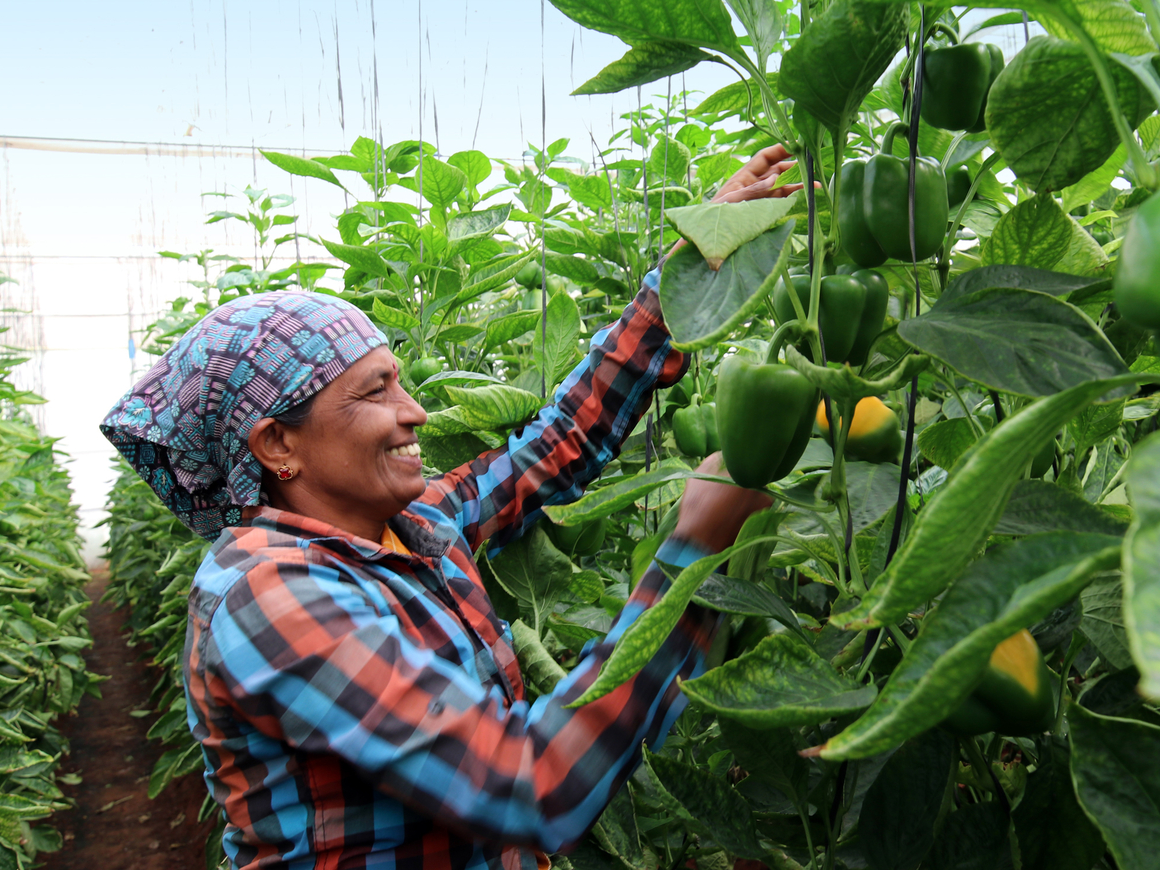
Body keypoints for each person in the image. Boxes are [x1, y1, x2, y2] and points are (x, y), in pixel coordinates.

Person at [100, 145, 804, 869]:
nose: (415, 412)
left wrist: (690, 266)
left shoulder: (413, 527)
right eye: (374, 392)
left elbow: (556, 446)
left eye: (399, 382)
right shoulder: (268, 596)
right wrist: (689, 558)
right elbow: (529, 787)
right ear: (278, 443)